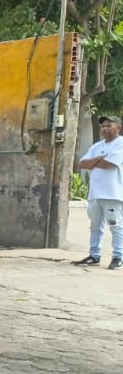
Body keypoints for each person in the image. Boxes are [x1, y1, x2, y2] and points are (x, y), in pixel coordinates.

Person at [73, 113, 123, 269]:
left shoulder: (121, 144)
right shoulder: (96, 146)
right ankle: (94, 255)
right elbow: (82, 164)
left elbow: (108, 164)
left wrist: (93, 162)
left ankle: (118, 257)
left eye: (109, 125)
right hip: (95, 194)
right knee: (95, 226)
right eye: (103, 126)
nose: (105, 128)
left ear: (118, 128)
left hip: (112, 193)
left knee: (115, 225)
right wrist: (99, 160)